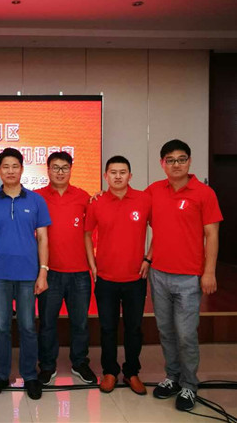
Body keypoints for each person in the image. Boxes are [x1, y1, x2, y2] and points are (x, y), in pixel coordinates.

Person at [147, 139, 222, 412]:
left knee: (186, 334)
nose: (176, 164)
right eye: (170, 160)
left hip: (189, 277)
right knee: (166, 331)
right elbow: (128, 205)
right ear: (162, 163)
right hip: (159, 274)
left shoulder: (204, 193)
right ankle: (172, 376)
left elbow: (212, 234)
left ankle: (189, 384)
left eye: (181, 159)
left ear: (189, 161)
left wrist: (209, 271)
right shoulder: (154, 191)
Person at [0, 147, 51, 400]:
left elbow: (43, 238)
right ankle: (1, 375)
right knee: (1, 327)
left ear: (22, 169)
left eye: (15, 166)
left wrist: (43, 272)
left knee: (28, 326)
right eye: (5, 167)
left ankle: (30, 375)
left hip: (28, 274)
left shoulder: (36, 200)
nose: (10, 171)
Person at [85, 155, 152, 395]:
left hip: (135, 279)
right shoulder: (97, 202)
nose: (118, 176)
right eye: (113, 172)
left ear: (130, 175)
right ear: (106, 176)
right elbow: (87, 234)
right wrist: (92, 264)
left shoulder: (144, 200)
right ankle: (110, 372)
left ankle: (132, 372)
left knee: (134, 328)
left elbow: (160, 229)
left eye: (122, 172)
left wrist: (148, 258)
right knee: (107, 328)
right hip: (106, 279)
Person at [36, 151, 97, 386]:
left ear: (71, 170)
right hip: (49, 272)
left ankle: (80, 363)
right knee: (47, 322)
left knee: (80, 322)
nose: (60, 172)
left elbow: (90, 231)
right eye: (55, 167)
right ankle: (47, 366)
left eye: (64, 168)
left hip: (79, 273)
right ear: (48, 170)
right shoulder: (37, 197)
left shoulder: (83, 197)